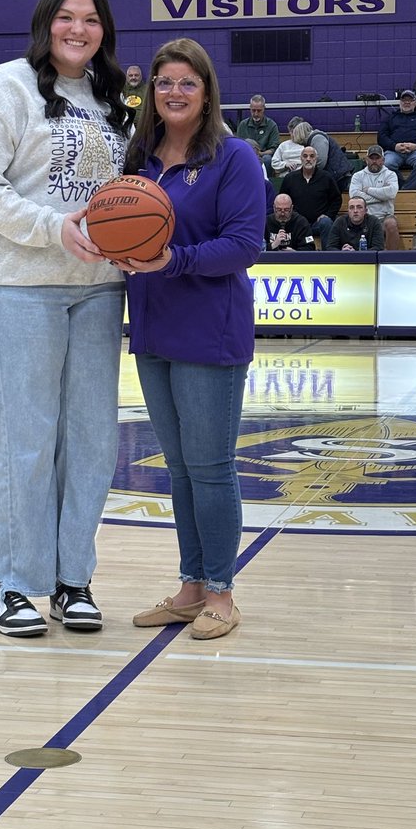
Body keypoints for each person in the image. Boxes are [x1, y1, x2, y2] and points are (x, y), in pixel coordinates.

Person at [0, 0, 131, 638]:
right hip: (22, 281)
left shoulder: (113, 100)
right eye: (66, 17)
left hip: (99, 288)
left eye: (90, 19)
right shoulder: (4, 87)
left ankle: (70, 578)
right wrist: (52, 227)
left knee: (89, 439)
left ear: (103, 30)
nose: (78, 30)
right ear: (46, 21)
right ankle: (12, 583)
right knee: (25, 435)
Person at [120, 38, 265, 640]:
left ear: (206, 92)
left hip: (210, 332)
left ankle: (222, 592)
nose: (173, 92)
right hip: (152, 330)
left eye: (186, 82)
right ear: (150, 91)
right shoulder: (140, 156)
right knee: (179, 469)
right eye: (163, 82)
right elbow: (123, 229)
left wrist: (168, 260)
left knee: (210, 468)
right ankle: (190, 586)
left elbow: (244, 245)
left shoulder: (233, 157)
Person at [280, 145, 342, 244]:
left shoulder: (326, 177)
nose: (308, 159)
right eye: (305, 156)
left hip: (318, 224)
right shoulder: (290, 178)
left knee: (326, 222)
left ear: (316, 159)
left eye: (312, 156)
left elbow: (336, 200)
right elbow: (282, 200)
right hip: (297, 223)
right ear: (301, 159)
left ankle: (330, 257)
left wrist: (327, 215)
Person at [378, 88, 416, 189]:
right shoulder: (390, 118)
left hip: (415, 151)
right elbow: (381, 137)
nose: (407, 103)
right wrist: (394, 146)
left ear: (415, 103)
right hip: (393, 152)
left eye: (410, 100)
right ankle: (403, 186)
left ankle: (406, 189)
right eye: (404, 100)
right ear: (400, 102)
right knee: (386, 164)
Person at [349, 144, 400, 248]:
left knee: (391, 223)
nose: (374, 161)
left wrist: (368, 190)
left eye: (377, 158)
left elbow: (391, 193)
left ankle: (390, 259)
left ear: (383, 160)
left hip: (384, 217)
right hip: (364, 218)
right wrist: (381, 196)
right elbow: (354, 196)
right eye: (371, 158)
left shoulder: (390, 175)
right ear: (366, 159)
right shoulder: (358, 176)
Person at [290, 118, 353, 192]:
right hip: (335, 176)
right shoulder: (313, 139)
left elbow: (321, 162)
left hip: (339, 178)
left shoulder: (317, 139)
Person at [236, 96, 279, 174]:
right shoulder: (243, 125)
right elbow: (238, 146)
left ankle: (266, 182)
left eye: (259, 111)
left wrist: (260, 154)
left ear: (264, 109)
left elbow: (274, 149)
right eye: (253, 110)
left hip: (264, 156)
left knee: (267, 159)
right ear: (250, 108)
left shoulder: (272, 125)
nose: (256, 114)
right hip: (246, 156)